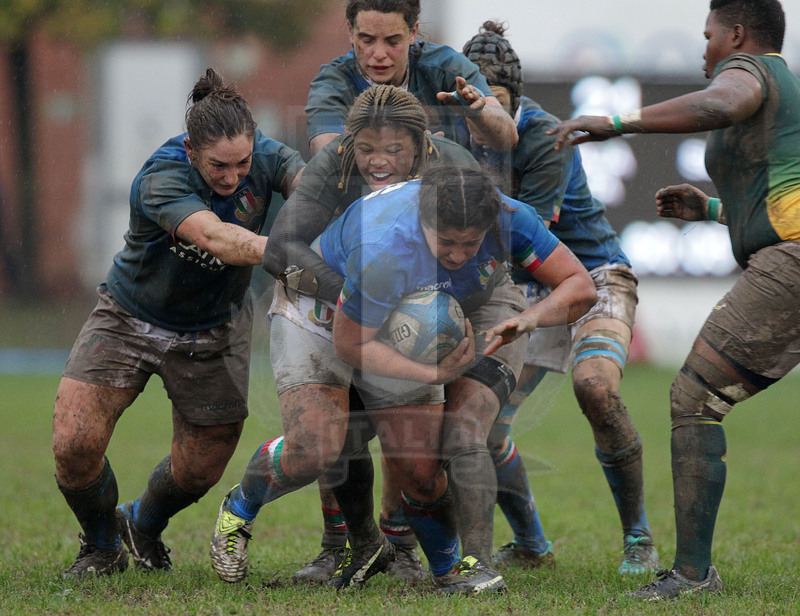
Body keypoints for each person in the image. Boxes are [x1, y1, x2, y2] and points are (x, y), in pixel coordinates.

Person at [210, 161, 596, 593]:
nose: (457, 254)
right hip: (323, 309)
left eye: (471, 244)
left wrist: (529, 319)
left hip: (422, 308)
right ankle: (237, 512)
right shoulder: (387, 246)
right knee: (315, 446)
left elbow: (580, 286)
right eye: (446, 242)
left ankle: (459, 571)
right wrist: (432, 372)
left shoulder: (510, 219)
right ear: (422, 221)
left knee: (423, 468)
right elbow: (351, 344)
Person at [550, 0, 800, 600]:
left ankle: (691, 576)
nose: (703, 47)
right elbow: (776, 194)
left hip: (792, 261)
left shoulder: (753, 72)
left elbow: (720, 102)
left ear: (738, 34)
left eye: (709, 34)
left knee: (694, 396)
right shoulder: (780, 86)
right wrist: (712, 210)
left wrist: (619, 122)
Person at [52, 68, 305, 578]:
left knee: (200, 469)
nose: (233, 177)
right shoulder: (161, 176)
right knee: (74, 444)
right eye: (218, 166)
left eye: (243, 163)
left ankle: (141, 524)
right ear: (192, 150)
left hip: (215, 328)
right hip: (128, 316)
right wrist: (296, 256)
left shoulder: (272, 157)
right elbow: (216, 238)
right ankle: (102, 547)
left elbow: (316, 189)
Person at [460, 21, 660, 575]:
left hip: (593, 277)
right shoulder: (456, 133)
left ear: (516, 100)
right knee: (482, 421)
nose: (483, 123)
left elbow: (527, 231)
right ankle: (531, 545)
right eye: (474, 109)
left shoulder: (545, 137)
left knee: (595, 387)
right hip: (521, 286)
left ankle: (639, 538)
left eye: (493, 107)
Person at [267, 85, 480, 584]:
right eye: (366, 149)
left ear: (423, 146)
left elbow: (480, 242)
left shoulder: (452, 167)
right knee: (336, 429)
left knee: (417, 445)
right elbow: (280, 249)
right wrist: (359, 299)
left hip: (421, 311)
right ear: (348, 143)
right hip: (337, 310)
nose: (378, 162)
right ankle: (337, 546)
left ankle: (402, 543)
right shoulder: (333, 165)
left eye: (393, 150)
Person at [305, 0, 517, 156]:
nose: (379, 53)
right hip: (363, 203)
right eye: (367, 40)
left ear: (413, 32)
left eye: (392, 41)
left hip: (447, 199)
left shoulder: (447, 67)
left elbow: (508, 137)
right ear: (351, 32)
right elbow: (326, 155)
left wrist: (478, 113)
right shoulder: (332, 83)